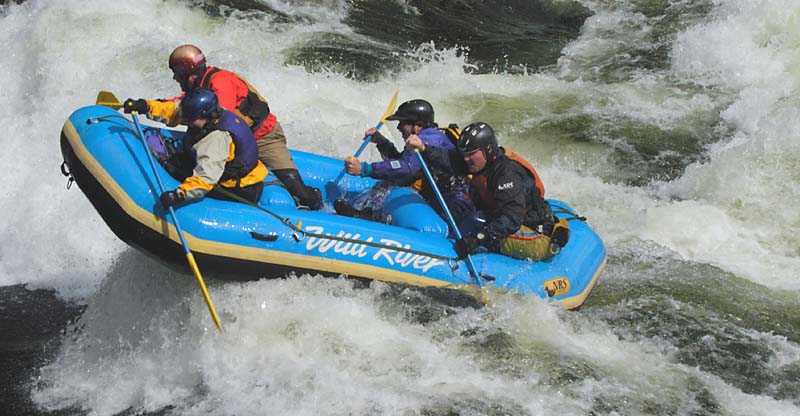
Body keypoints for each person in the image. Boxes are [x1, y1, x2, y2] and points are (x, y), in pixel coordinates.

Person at [123, 44, 322, 210]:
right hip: (237, 143)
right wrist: (147, 106)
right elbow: (180, 106)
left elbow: (215, 123)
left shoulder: (220, 84)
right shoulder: (200, 89)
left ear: (187, 72)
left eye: (176, 73)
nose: (175, 78)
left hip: (264, 137)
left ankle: (313, 203)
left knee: (295, 186)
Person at [409, 122, 567, 262]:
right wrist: (423, 148)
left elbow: (512, 218)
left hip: (533, 234)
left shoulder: (507, 174)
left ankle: (451, 255)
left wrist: (478, 239)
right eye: (464, 154)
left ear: (489, 149)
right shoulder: (480, 162)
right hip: (507, 219)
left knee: (478, 221)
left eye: (471, 154)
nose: (466, 159)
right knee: (462, 209)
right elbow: (452, 160)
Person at [124, 87, 267, 208]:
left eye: (191, 119)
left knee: (174, 168)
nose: (187, 121)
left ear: (206, 115)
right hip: (237, 174)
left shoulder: (215, 139)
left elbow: (206, 178)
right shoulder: (210, 113)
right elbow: (174, 111)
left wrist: (179, 194)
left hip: (238, 188)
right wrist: (146, 106)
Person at [334, 99, 471, 223]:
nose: (399, 127)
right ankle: (367, 213)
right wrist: (382, 142)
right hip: (442, 197)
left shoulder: (428, 138)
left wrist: (366, 169)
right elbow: (402, 163)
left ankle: (369, 216)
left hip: (452, 205)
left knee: (389, 186)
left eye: (403, 122)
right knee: (389, 182)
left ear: (418, 125)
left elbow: (405, 168)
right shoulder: (428, 135)